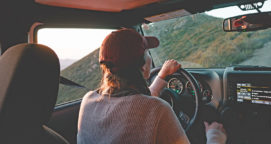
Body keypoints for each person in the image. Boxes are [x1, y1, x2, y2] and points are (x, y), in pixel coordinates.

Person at [77, 28, 226, 144]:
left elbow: (136, 106)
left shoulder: (88, 100)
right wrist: (214, 137)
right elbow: (144, 108)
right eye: (147, 53)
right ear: (142, 67)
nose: (149, 57)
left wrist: (162, 76)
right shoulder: (157, 109)